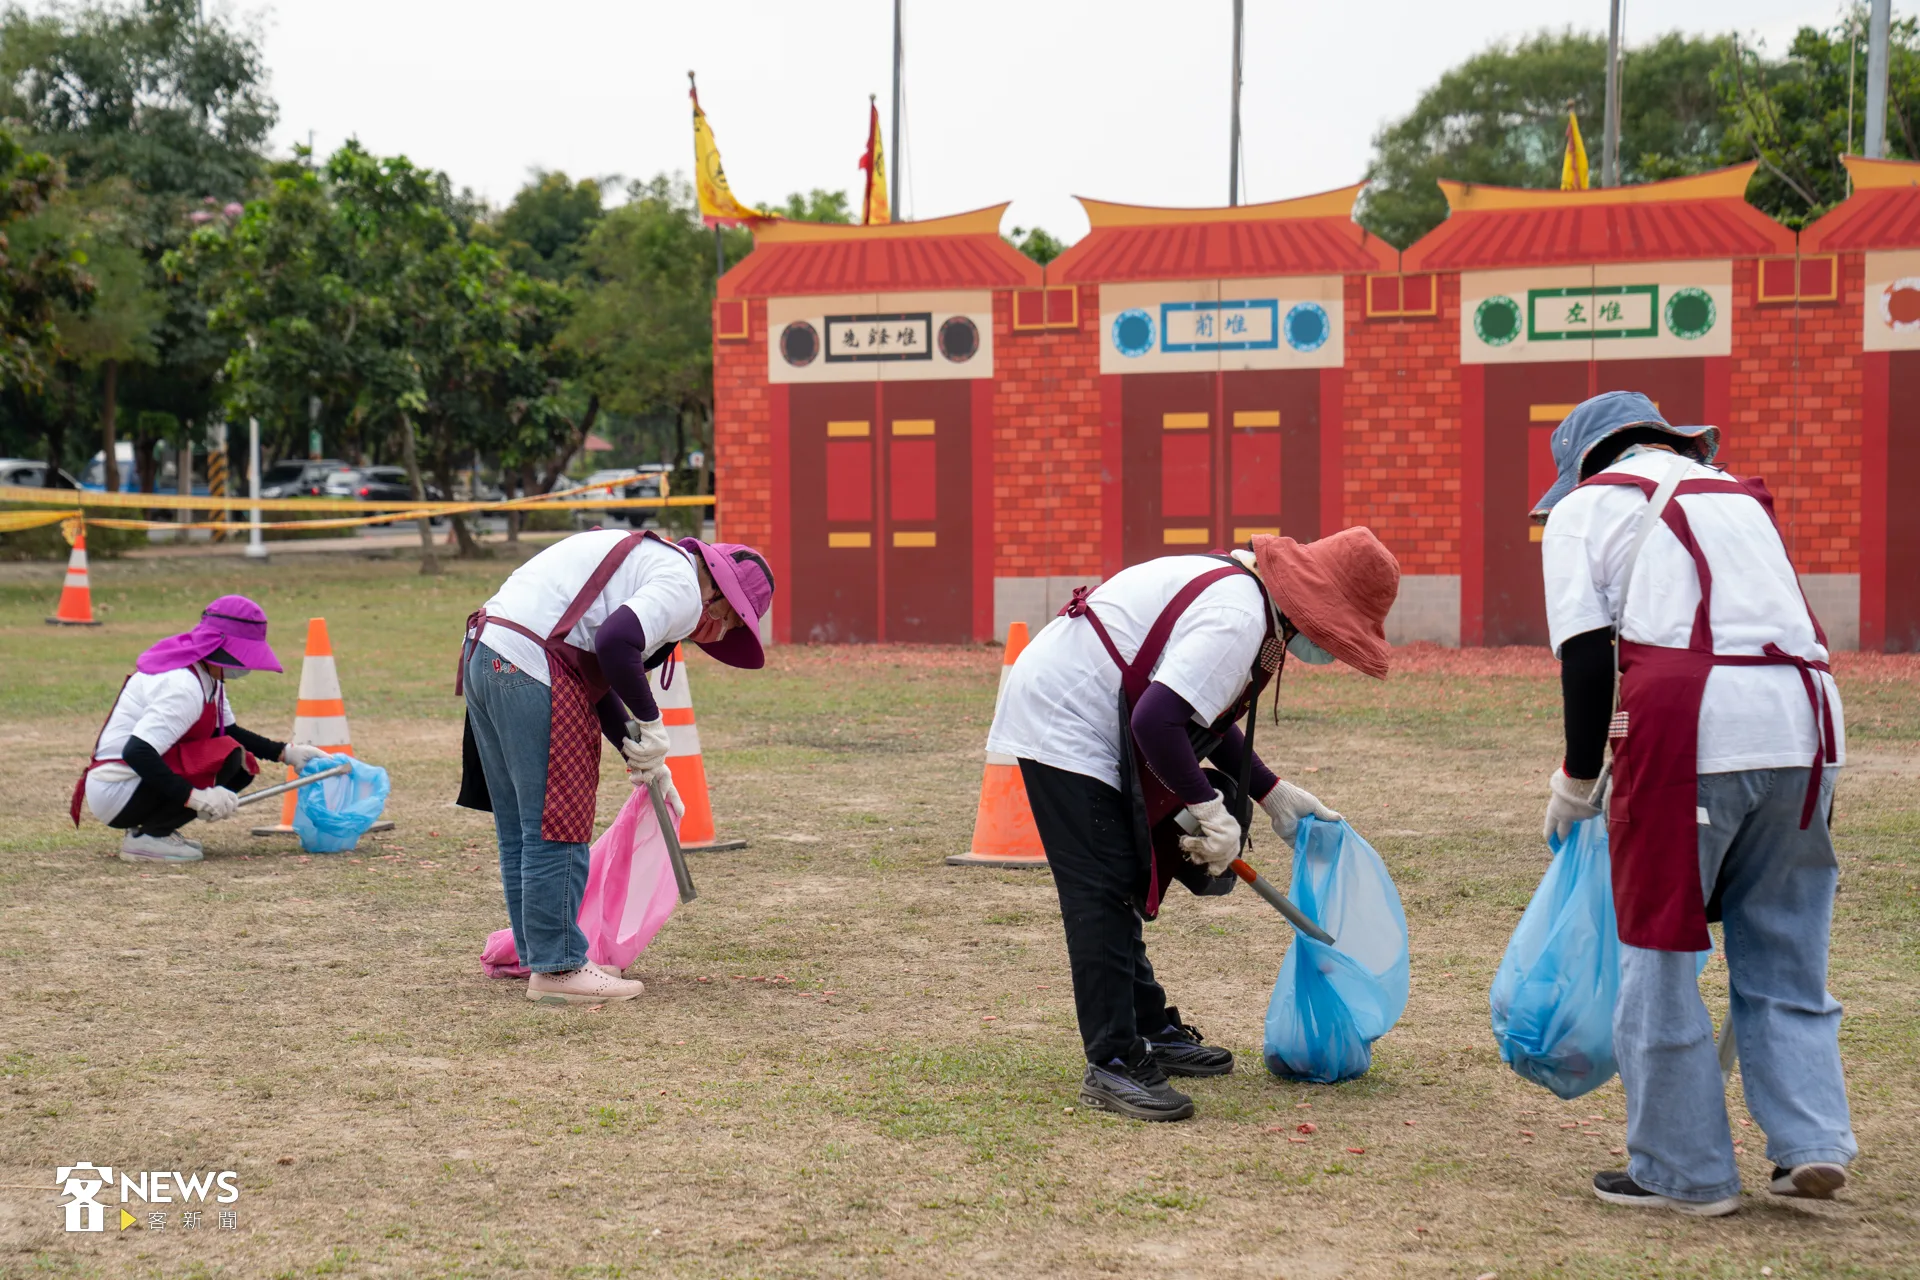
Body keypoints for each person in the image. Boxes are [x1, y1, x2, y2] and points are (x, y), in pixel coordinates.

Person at [1535, 391, 1853, 1216]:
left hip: (1693, 727)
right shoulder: (1737, 496)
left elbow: (1585, 657)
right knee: (1786, 944)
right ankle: (1811, 1141)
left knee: (1660, 947)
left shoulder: (1587, 509)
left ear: (1585, 463)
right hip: (1807, 724)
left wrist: (1575, 780)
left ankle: (1683, 1172)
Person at [986, 529, 1400, 1121]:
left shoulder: (1251, 602)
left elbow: (1191, 707)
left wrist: (1274, 794)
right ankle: (1114, 1063)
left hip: (1096, 716)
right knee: (1101, 889)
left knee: (1123, 876)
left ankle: (1148, 1027)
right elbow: (1158, 721)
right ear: (1310, 604)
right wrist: (1209, 811)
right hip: (1064, 721)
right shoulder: (1237, 616)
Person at [458, 528, 774, 1008]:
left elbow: (598, 675)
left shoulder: (653, 563)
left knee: (522, 827)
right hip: (531, 665)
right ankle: (559, 967)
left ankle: (537, 953)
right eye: (732, 623)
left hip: (488, 655)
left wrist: (636, 749)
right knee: (556, 821)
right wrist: (652, 722)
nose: (721, 633)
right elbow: (615, 643)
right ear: (722, 598)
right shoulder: (685, 585)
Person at [73, 595, 320, 865]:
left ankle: (155, 830)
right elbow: (137, 752)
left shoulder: (207, 676)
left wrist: (285, 753)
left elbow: (228, 731)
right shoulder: (182, 686)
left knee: (238, 760)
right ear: (218, 648)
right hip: (118, 791)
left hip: (131, 785)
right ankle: (151, 838)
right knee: (229, 756)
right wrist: (195, 798)